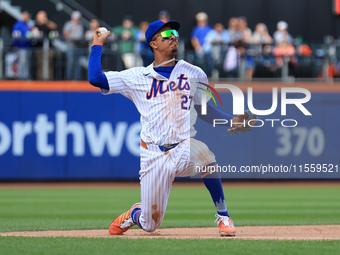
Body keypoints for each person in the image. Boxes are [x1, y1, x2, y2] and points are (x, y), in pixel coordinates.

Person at [88, 19, 251, 237]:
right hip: (152, 154)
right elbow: (95, 78)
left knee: (205, 156)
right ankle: (135, 214)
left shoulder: (194, 72)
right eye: (165, 34)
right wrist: (97, 44)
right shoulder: (137, 77)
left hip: (183, 147)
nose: (173, 36)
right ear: (153, 44)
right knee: (151, 224)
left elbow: (203, 110)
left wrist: (230, 121)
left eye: (174, 31)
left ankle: (224, 217)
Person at [31, 10, 58, 80]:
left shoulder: (47, 25)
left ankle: (49, 79)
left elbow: (54, 26)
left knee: (48, 65)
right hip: (39, 49)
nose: (43, 18)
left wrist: (46, 21)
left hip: (49, 49)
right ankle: (40, 79)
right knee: (40, 65)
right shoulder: (36, 26)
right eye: (42, 16)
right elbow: (34, 33)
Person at [62, 10, 84, 80]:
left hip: (78, 46)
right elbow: (65, 33)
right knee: (70, 63)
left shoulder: (80, 25)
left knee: (78, 64)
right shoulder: (69, 24)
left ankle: (77, 79)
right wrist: (72, 37)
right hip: (71, 46)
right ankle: (69, 78)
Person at [11, 10, 32, 79]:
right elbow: (15, 35)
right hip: (20, 47)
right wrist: (15, 46)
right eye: (25, 15)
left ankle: (25, 77)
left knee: (26, 63)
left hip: (27, 47)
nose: (26, 17)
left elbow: (30, 34)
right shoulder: (18, 24)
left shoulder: (27, 25)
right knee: (21, 63)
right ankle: (20, 78)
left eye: (27, 16)